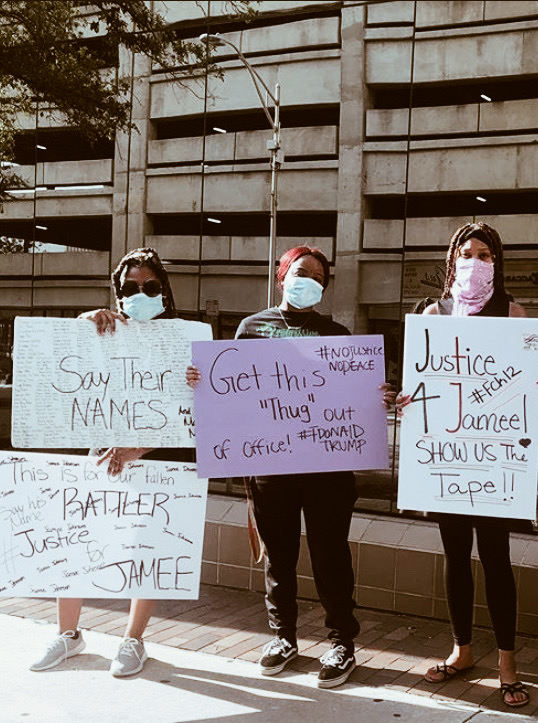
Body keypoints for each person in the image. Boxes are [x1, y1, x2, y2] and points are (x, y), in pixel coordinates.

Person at [192, 246, 364, 688]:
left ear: (325, 288)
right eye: (301, 272)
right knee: (279, 556)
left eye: (318, 277)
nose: (309, 280)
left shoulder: (339, 334)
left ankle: (342, 640)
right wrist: (202, 381)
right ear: (281, 275)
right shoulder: (252, 328)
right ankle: (282, 636)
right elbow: (230, 390)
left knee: (330, 555)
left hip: (327, 465)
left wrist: (373, 397)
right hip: (270, 464)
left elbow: (353, 397)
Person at [30, 247, 189, 677]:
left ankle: (133, 639)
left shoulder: (182, 338)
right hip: (101, 455)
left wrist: (137, 449)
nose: (141, 293)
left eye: (150, 287)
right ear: (118, 292)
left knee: (147, 551)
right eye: (131, 287)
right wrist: (82, 326)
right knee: (78, 541)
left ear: (164, 291)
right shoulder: (105, 329)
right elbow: (60, 365)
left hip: (156, 461)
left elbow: (189, 411)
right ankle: (68, 634)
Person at [399, 222, 530, 708]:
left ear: (497, 261)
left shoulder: (514, 313)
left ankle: (508, 663)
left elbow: (522, 381)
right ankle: (462, 651)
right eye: (467, 252)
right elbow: (420, 384)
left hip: (492, 463)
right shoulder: (432, 312)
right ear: (452, 260)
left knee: (496, 558)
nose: (475, 261)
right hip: (448, 461)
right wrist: (407, 402)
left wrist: (534, 390)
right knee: (455, 556)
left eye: (485, 254)